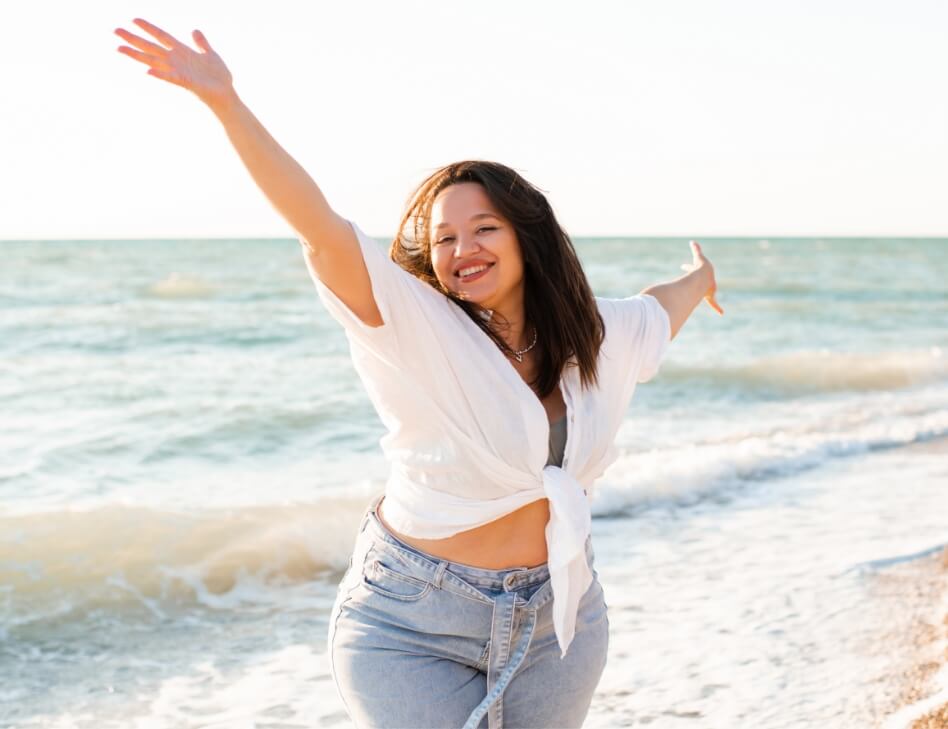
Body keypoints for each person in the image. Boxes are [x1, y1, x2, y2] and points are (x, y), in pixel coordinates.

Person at [115, 18, 723, 729]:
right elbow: (320, 226)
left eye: (484, 228)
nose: (462, 248)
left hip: (560, 618)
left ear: (527, 234)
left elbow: (661, 308)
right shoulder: (412, 324)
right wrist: (226, 103)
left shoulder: (598, 332)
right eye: (443, 238)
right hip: (412, 622)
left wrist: (701, 275)